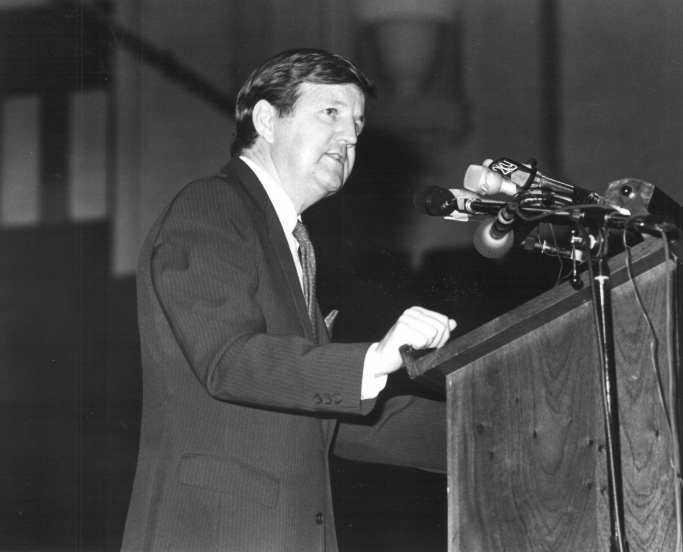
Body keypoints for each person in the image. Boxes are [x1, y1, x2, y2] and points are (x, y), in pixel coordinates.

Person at [121, 48, 456, 552]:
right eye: (331, 113)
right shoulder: (212, 206)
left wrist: (489, 429)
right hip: (217, 532)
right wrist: (373, 357)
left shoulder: (292, 244)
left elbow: (337, 419)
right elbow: (228, 359)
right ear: (266, 119)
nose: (350, 137)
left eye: (357, 126)